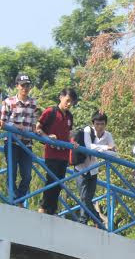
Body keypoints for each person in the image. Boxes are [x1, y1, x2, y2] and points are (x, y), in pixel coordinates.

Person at [36, 88, 79, 215]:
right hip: (51, 153)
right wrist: (48, 137)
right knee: (51, 180)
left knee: (59, 183)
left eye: (72, 102)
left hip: (64, 155)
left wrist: (73, 141)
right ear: (61, 97)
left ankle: (52, 210)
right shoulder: (50, 112)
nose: (69, 104)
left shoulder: (70, 116)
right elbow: (38, 128)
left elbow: (68, 133)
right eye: (68, 100)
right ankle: (43, 208)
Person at [0, 73, 38, 205]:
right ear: (17, 86)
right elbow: (2, 123)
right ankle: (16, 200)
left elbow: (33, 124)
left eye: (27, 85)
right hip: (12, 143)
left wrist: (38, 132)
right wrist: (15, 126)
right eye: (22, 85)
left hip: (27, 144)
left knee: (27, 176)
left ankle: (19, 199)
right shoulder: (8, 102)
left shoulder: (33, 103)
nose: (25, 88)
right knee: (12, 174)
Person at [74, 112, 117, 226]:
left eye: (102, 124)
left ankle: (86, 220)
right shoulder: (88, 130)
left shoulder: (108, 135)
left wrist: (100, 150)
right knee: (84, 197)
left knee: (88, 197)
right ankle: (95, 219)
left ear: (105, 124)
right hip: (81, 167)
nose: (99, 127)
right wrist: (106, 148)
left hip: (94, 169)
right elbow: (89, 147)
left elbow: (114, 154)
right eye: (97, 124)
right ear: (93, 123)